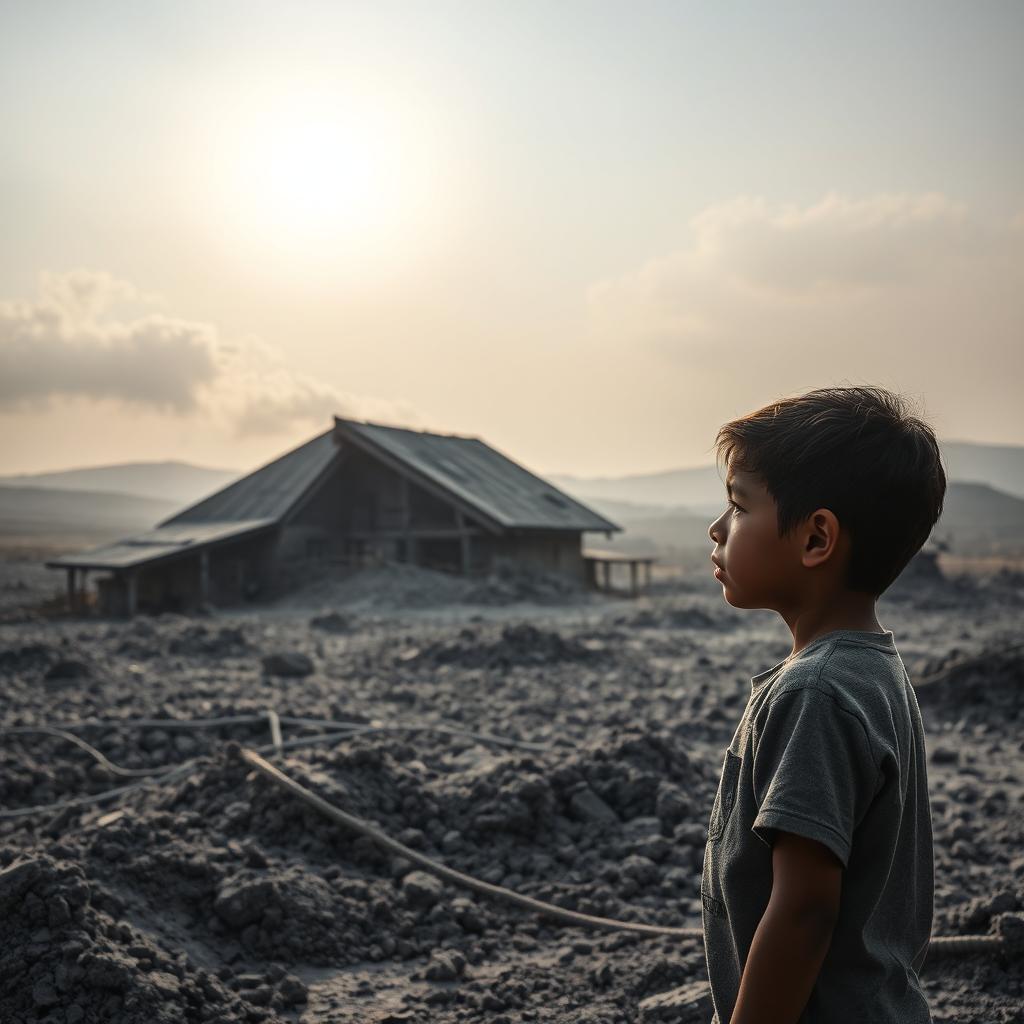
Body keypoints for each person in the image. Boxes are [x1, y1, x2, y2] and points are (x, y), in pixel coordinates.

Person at [701, 385, 945, 1023]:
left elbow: (805, 910)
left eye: (738, 506)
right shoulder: (871, 671)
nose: (717, 528)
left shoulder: (816, 692)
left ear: (816, 539)